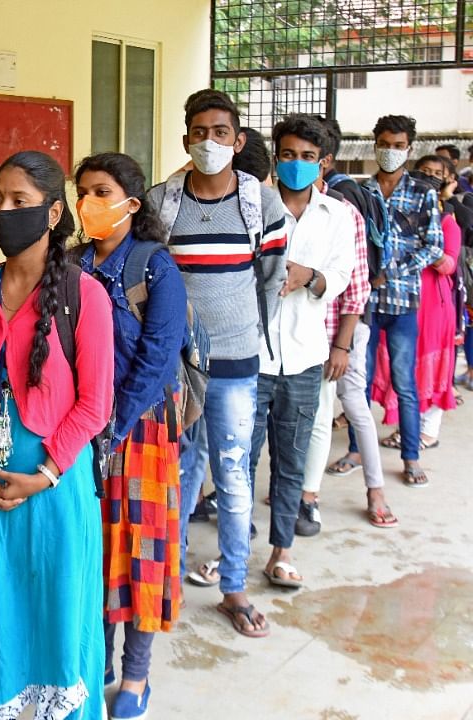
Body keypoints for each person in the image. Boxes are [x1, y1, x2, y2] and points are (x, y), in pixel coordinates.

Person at [0, 150, 114, 720]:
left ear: (53, 213)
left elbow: (95, 404)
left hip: (55, 488)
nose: (3, 211)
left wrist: (46, 473)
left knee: (59, 619)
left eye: (19, 202)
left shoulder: (87, 297)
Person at [146, 89, 288, 638]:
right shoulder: (163, 202)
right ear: (186, 140)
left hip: (235, 360)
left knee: (231, 474)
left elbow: (272, 276)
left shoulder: (261, 202)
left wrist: (249, 330)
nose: (210, 142)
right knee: (176, 472)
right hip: (175, 366)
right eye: (199, 133)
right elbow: (149, 275)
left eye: (221, 132)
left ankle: (234, 587)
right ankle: (169, 579)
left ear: (239, 140)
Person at [75, 153, 186, 720]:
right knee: (91, 550)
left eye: (101, 191)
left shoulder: (154, 266)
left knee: (141, 552)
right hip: (79, 431)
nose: (88, 203)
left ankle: (136, 674)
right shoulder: (69, 263)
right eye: (82, 192)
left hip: (139, 430)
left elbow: (159, 356)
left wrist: (113, 423)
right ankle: (100, 662)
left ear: (132, 203)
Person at [250, 114, 355, 588]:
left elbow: (341, 277)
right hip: (249, 354)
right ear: (276, 157)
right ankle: (235, 555)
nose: (296, 164)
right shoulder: (253, 206)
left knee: (290, 461)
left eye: (308, 158)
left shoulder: (340, 217)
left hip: (304, 357)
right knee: (238, 458)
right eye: (288, 155)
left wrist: (308, 276)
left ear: (325, 163)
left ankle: (281, 552)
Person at [348, 115, 444, 487]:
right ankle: (356, 450)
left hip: (403, 301)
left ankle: (410, 457)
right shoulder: (362, 190)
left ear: (409, 148)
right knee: (361, 381)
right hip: (366, 305)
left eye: (398, 145)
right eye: (384, 144)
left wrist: (392, 271)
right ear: (375, 145)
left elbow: (432, 246)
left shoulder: (422, 193)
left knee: (404, 383)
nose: (390, 151)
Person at [313, 117, 395, 530]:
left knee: (354, 406)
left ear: (325, 160)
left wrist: (342, 345)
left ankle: (375, 489)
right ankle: (303, 493)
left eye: (308, 156)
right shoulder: (282, 207)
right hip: (306, 336)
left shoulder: (345, 207)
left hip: (343, 332)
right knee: (311, 415)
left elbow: (357, 285)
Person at [373, 155, 460, 451]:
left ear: (448, 180)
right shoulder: (389, 197)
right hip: (396, 298)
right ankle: (404, 428)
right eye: (426, 171)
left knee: (426, 369)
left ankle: (426, 432)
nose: (431, 177)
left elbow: (447, 262)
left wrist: (421, 247)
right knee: (399, 368)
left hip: (432, 304)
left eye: (438, 174)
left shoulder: (448, 218)